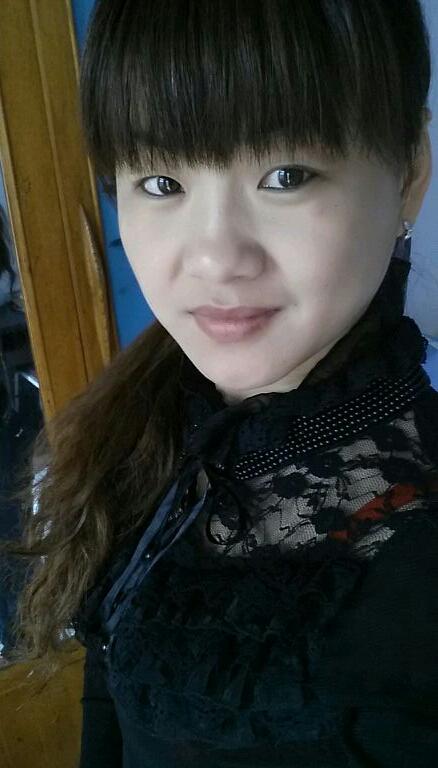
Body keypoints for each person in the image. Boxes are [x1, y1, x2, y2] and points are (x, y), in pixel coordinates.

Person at [1, 1, 437, 766]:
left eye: (285, 176)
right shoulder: (146, 423)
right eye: (161, 181)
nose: (212, 258)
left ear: (408, 173)